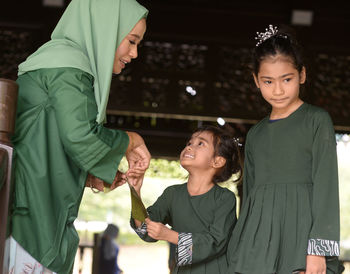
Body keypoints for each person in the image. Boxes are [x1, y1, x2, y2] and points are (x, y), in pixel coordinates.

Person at [8, 0, 150, 273]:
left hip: (37, 209)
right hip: (32, 218)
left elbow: (44, 143)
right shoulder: (68, 66)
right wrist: (130, 140)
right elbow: (80, 136)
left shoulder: (59, 62)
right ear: (106, 30)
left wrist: (86, 176)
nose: (134, 53)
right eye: (131, 41)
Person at [226, 25, 342, 274]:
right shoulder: (255, 134)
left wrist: (318, 250)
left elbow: (327, 186)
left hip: (301, 237)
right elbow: (249, 197)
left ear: (302, 75)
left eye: (286, 79)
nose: (277, 90)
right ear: (256, 81)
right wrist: (239, 248)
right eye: (268, 81)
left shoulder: (316, 120)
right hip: (258, 242)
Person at [130, 125, 242, 273]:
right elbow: (145, 229)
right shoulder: (172, 194)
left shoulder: (225, 198)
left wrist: (169, 235)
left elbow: (216, 242)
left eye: (200, 143)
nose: (189, 147)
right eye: (189, 143)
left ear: (217, 161)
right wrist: (135, 191)